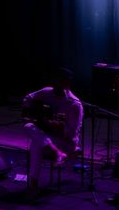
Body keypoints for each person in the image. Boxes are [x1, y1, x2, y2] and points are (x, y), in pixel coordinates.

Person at [22, 68, 84, 197]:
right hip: (49, 137)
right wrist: (36, 111)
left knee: (36, 143)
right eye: (55, 80)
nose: (56, 84)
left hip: (65, 142)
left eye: (60, 81)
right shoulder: (46, 92)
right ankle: (56, 153)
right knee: (28, 126)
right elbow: (27, 99)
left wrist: (56, 126)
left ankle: (33, 184)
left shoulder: (74, 104)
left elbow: (72, 134)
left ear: (67, 84)